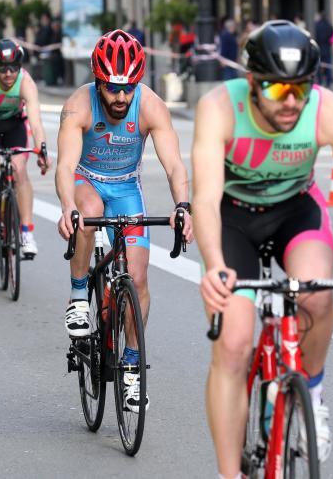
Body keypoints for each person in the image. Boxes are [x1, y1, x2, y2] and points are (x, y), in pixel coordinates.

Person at [191, 20, 333, 478]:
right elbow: (204, 197)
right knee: (233, 342)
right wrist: (216, 266)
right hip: (233, 218)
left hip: (295, 212)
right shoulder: (219, 107)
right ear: (252, 82)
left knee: (317, 296)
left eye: (301, 88)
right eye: (277, 87)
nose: (291, 100)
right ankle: (230, 473)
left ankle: (313, 392)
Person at [55, 29, 194, 412]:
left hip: (126, 187)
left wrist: (183, 205)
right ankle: (80, 296)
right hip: (87, 180)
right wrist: (68, 205)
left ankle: (132, 368)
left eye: (127, 89)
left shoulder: (151, 107)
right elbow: (65, 165)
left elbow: (173, 165)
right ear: (98, 81)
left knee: (139, 277)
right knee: (89, 215)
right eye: (112, 89)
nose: (120, 98)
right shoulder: (78, 105)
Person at [0, 39, 51, 258]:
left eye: (13, 68)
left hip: (14, 127)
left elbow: (35, 122)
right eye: (2, 69)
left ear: (20, 67)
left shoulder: (26, 83)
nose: (8, 74)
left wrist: (41, 149)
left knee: (18, 168)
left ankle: (26, 233)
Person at [314, 12, 333, 86]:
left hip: (319, 47)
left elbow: (315, 36)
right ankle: (329, 81)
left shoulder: (317, 25)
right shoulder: (329, 25)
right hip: (327, 47)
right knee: (328, 64)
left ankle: (320, 80)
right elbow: (332, 35)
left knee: (319, 65)